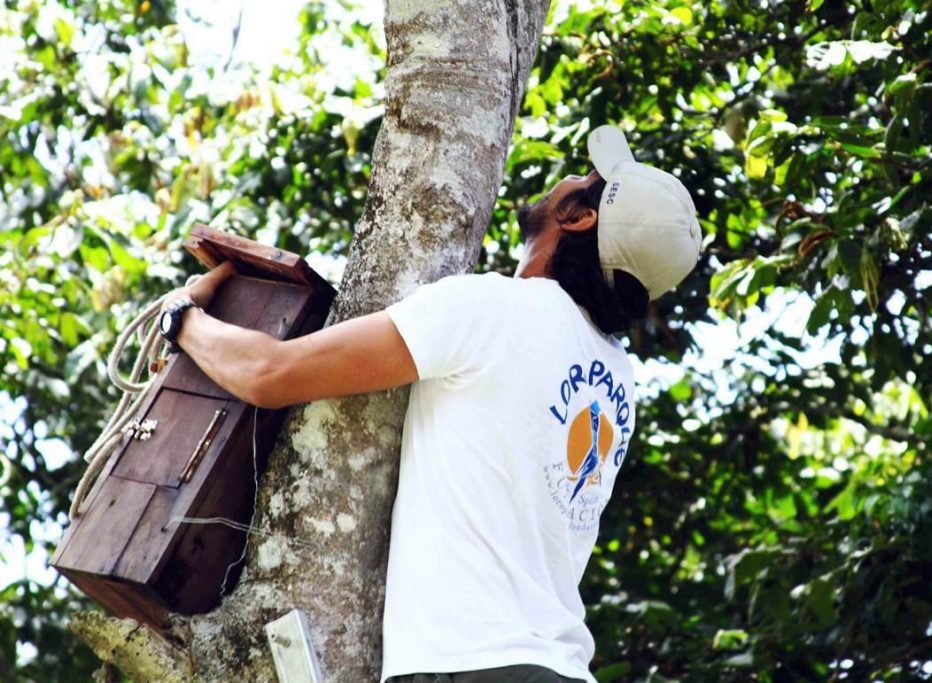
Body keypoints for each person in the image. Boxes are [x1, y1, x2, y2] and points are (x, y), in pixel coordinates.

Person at [158, 125, 702, 683]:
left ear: (578, 217)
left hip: (472, 666)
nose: (568, 177)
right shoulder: (619, 381)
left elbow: (270, 373)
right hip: (556, 666)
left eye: (583, 179)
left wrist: (182, 319)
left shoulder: (494, 308)